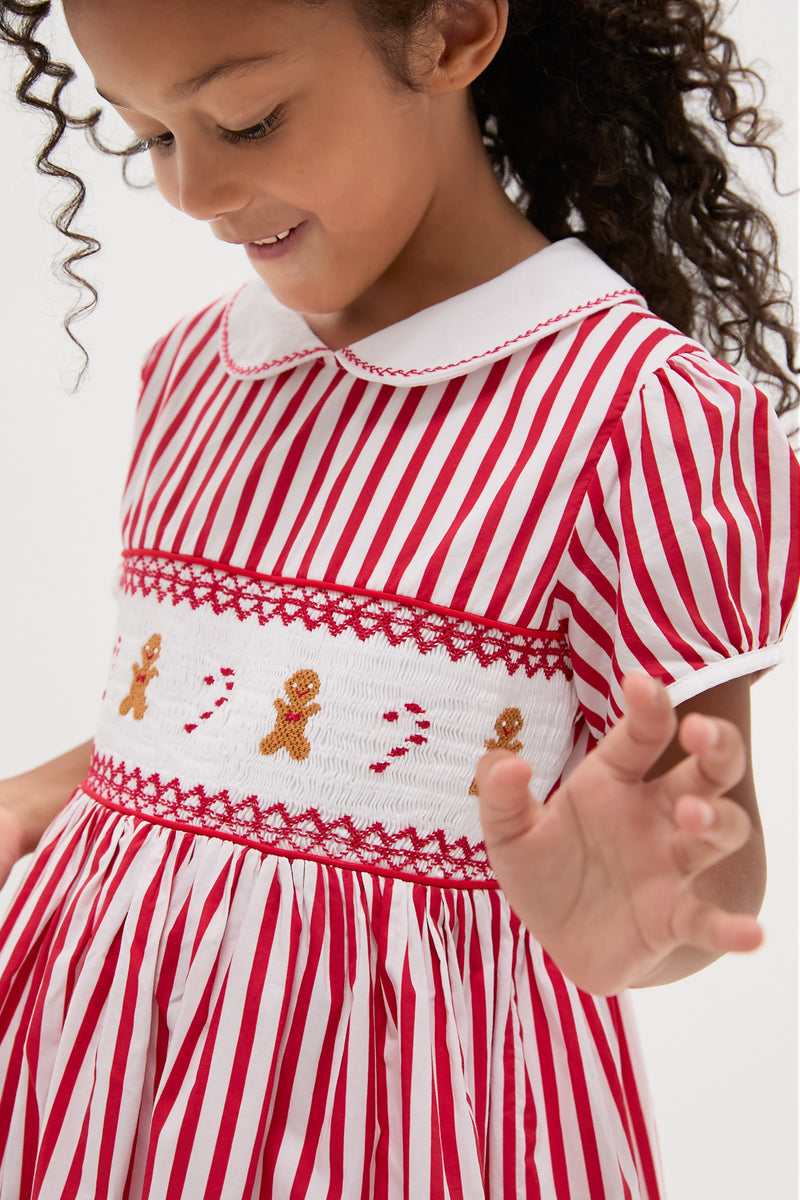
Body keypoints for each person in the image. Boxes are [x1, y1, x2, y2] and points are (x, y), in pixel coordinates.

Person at [0, 0, 797, 1196]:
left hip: (393, 1115)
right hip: (90, 1066)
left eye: (246, 121)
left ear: (453, 31)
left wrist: (647, 915)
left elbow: (698, 853)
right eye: (151, 135)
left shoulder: (633, 417)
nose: (191, 192)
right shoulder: (193, 370)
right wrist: (43, 792)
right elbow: (246, 712)